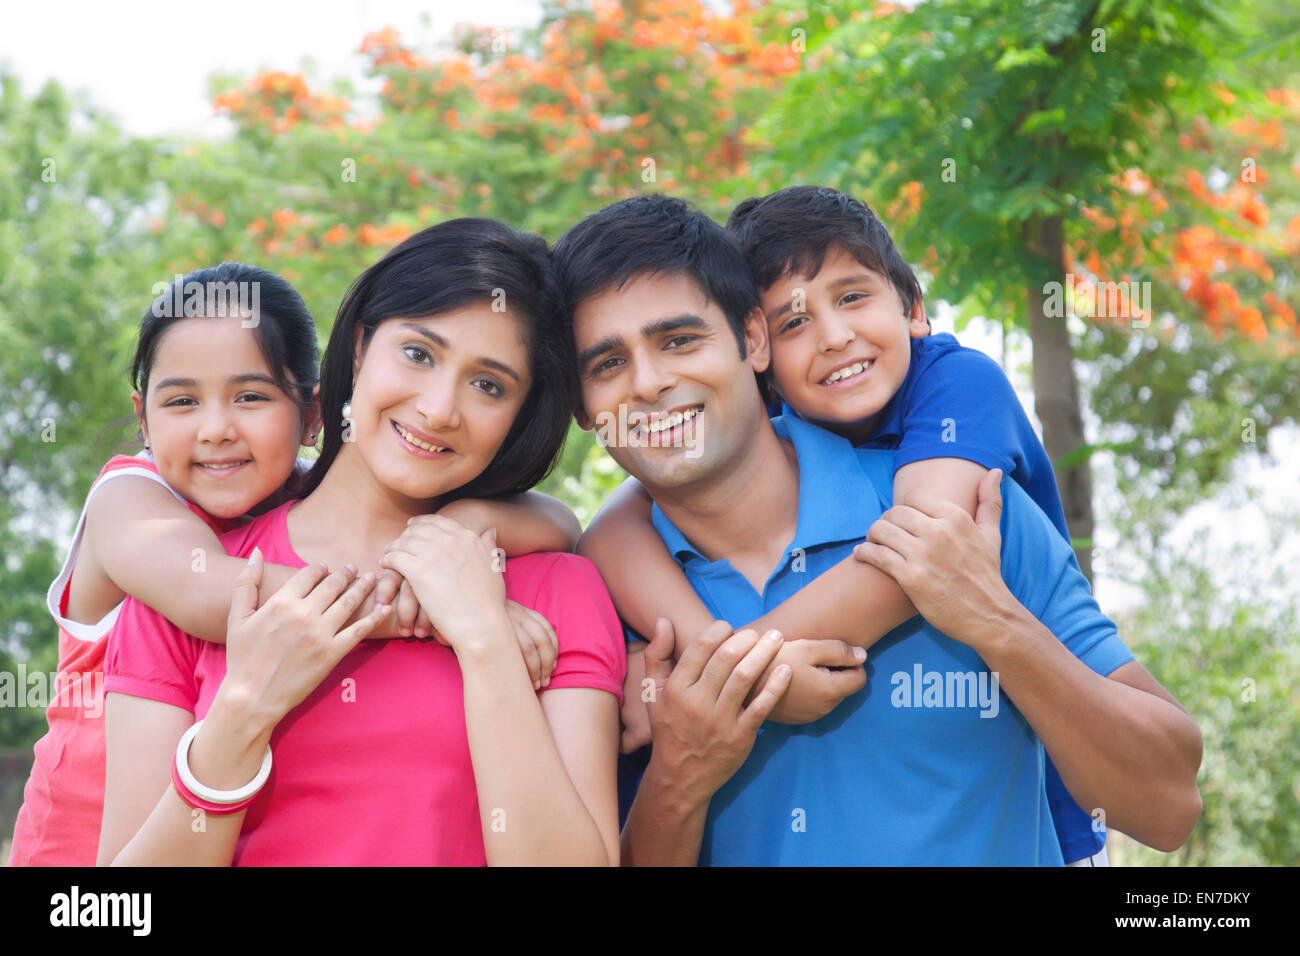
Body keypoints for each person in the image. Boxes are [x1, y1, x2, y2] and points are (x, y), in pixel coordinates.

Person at [553, 195, 1203, 864]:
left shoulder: (967, 516)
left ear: (753, 339)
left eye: (679, 340)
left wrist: (998, 626)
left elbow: (1168, 806)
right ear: (581, 407)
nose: (651, 382)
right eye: (607, 365)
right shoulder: (597, 607)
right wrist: (681, 773)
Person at [8, 262, 579, 867]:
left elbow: (560, 522)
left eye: (251, 397)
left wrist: (455, 530)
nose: (216, 429)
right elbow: (214, 597)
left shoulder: (297, 494)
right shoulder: (129, 499)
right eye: (181, 401)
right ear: (142, 416)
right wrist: (441, 611)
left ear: (310, 415)